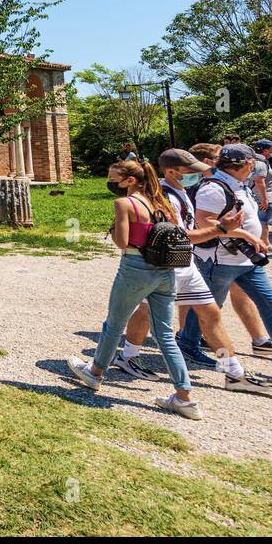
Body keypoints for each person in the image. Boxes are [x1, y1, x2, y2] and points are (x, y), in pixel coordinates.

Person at [66, 159, 199, 419]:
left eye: (112, 176)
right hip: (164, 271)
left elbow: (122, 241)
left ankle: (94, 373)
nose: (110, 181)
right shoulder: (163, 203)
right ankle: (184, 397)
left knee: (114, 324)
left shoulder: (125, 203)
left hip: (135, 266)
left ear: (129, 181)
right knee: (165, 335)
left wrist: (116, 225)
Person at [182, 143, 272, 362]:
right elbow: (204, 220)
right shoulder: (214, 187)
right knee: (209, 307)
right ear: (248, 163)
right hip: (220, 261)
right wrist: (246, 235)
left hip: (247, 261)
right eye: (253, 163)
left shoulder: (238, 184)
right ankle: (187, 344)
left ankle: (187, 343)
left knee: (269, 303)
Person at [252, 139, 272, 244]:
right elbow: (259, 182)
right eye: (271, 149)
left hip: (265, 197)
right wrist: (264, 200)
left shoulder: (263, 161)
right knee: (262, 221)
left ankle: (264, 243)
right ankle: (264, 244)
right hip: (264, 198)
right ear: (264, 150)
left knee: (263, 221)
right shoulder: (260, 163)